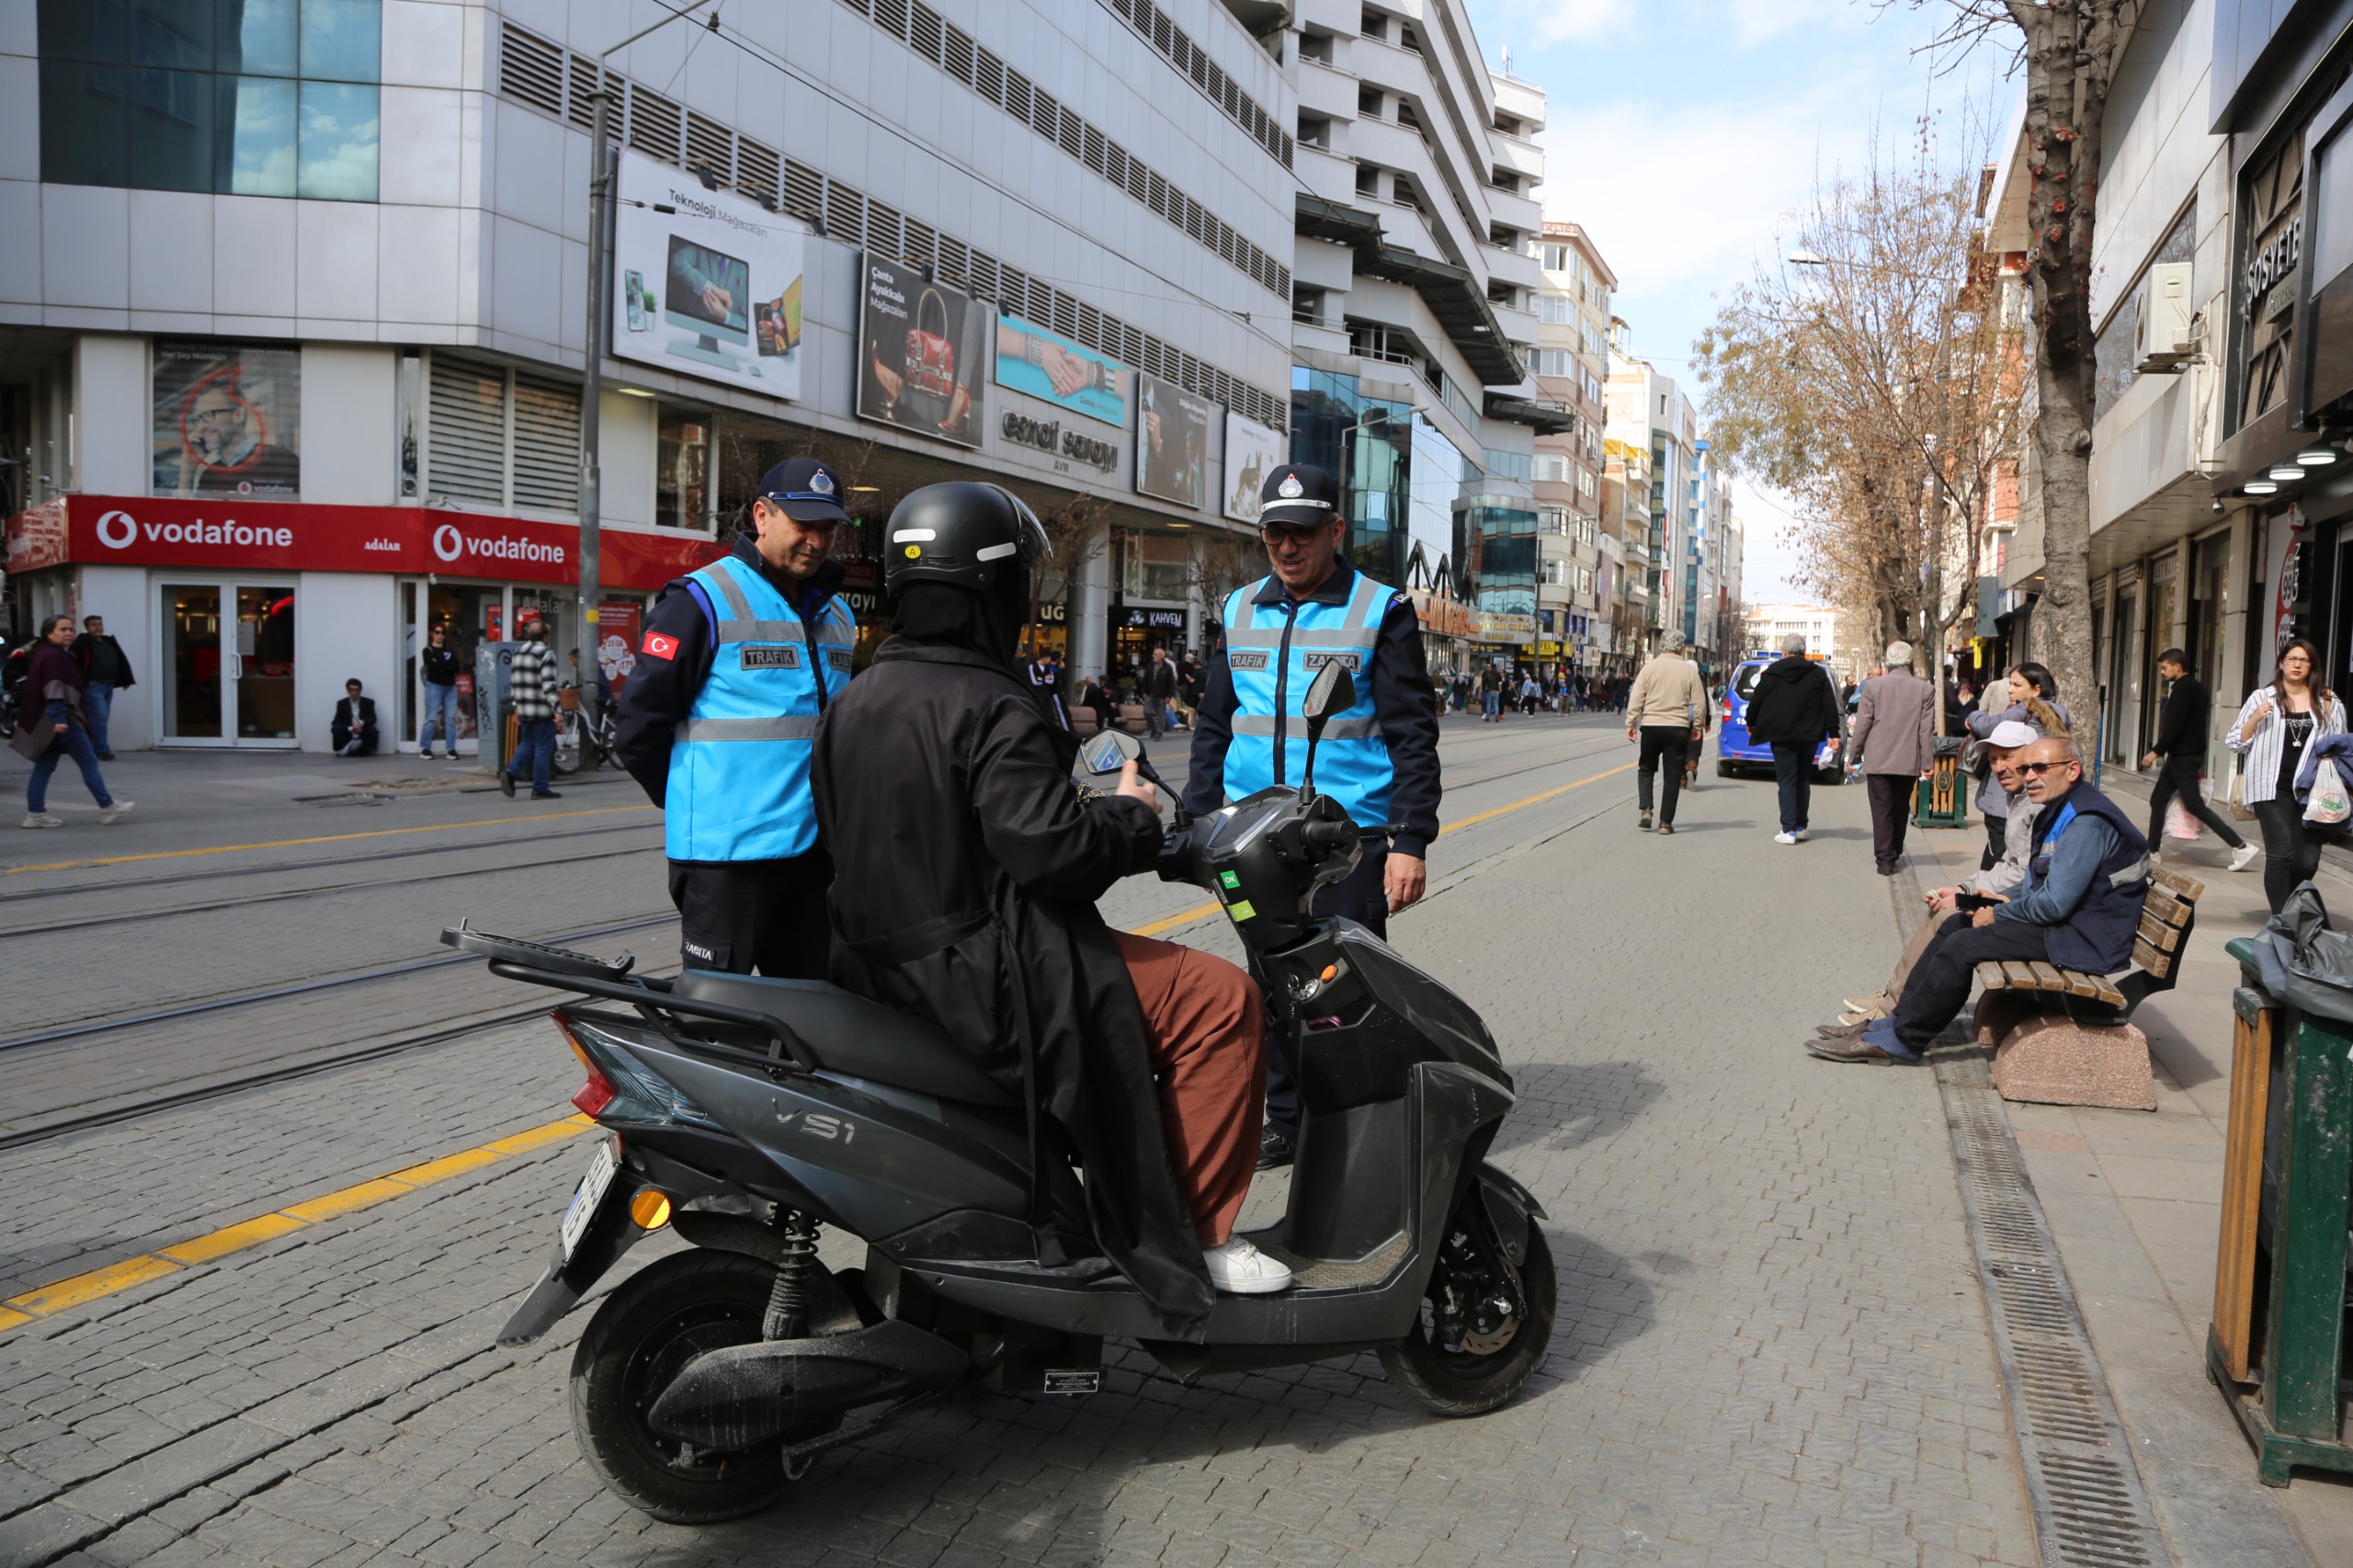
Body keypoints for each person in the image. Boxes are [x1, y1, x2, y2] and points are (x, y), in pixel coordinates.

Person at [812, 482, 1290, 1335]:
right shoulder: (993, 703)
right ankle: (1194, 1238)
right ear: (995, 591)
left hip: (875, 962)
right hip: (986, 972)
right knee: (1222, 1003)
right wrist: (1134, 818)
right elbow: (1053, 855)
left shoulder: (852, 702)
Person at [1185, 462, 1441, 1171]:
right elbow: (1213, 727)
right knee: (1269, 987)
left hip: (1345, 841)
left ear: (1336, 530)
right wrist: (1199, 825)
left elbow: (1412, 735)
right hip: (1251, 843)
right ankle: (1288, 1120)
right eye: (1274, 534)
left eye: (1301, 532)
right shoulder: (1239, 610)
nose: (1287, 547)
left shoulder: (1380, 609)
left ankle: (1361, 1120)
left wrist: (1411, 839)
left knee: (1345, 991)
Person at [615, 458, 858, 978]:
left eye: (827, 528)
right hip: (728, 860)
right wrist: (694, 798)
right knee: (716, 1018)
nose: (816, 540)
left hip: (814, 859)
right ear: (762, 516)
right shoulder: (701, 600)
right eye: (803, 525)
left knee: (808, 1018)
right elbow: (639, 727)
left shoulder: (839, 616)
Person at [1810, 735, 2149, 1064]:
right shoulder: (2060, 808)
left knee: (1964, 946)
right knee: (1958, 920)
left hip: (2084, 940)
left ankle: (1903, 1040)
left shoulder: (2086, 822)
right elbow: (2038, 882)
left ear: (2072, 770)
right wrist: (1983, 900)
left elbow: (2054, 904)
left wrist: (1999, 915)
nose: (2029, 775)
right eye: (2027, 767)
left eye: (2041, 768)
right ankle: (1894, 1021)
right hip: (2068, 926)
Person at [1816, 720, 2041, 1035]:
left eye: (2007, 757)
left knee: (1950, 916)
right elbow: (2009, 864)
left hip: (2025, 909)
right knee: (1939, 907)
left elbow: (2025, 874)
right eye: (1993, 760)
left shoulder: (2040, 803)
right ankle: (1891, 996)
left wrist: (1967, 896)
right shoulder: (2018, 798)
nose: (1999, 767)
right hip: (2017, 898)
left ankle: (1893, 1010)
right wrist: (1964, 887)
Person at [2226, 637, 2347, 913]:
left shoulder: (2328, 701)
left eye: (2304, 660)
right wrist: (2255, 718)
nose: (2297, 665)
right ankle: (2283, 921)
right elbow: (2235, 742)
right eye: (2291, 659)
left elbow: (2340, 746)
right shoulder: (2262, 697)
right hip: (2270, 787)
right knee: (2280, 854)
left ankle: (2291, 909)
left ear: (2312, 666)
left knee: (2307, 861)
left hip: (2313, 791)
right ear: (2281, 663)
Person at [2142, 648, 2259, 873]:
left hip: (2183, 757)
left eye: (2165, 667)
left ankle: (2240, 845)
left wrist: (2154, 752)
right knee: (2158, 800)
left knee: (2194, 805)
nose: (2163, 672)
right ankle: (2152, 850)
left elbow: (2174, 726)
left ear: (2178, 666)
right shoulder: (2199, 689)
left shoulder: (2183, 689)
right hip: (2183, 756)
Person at [14, 616, 132, 828]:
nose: (68, 632)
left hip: (48, 723)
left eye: (71, 629)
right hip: (63, 721)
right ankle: (107, 806)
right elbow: (54, 688)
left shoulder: (46, 653)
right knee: (88, 762)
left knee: (44, 767)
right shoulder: (54, 657)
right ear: (49, 633)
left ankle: (35, 813)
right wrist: (59, 718)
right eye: (63, 629)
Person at [1966, 663, 2071, 870]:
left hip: (2008, 800)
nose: (2010, 689)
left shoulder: (2026, 709)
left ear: (2036, 690)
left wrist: (1973, 716)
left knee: (2000, 857)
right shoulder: (2060, 712)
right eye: (2010, 684)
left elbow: (1985, 726)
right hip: (2034, 797)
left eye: (2017, 684)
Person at [1744, 634, 1843, 844]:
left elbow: (1757, 701)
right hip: (1808, 736)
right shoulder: (1817, 674)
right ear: (1803, 652)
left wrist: (1750, 722)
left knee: (1786, 780)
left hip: (1781, 735)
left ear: (1784, 652)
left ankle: (1788, 830)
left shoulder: (1772, 674)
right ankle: (1800, 826)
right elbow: (1829, 705)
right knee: (1803, 778)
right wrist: (1833, 733)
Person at [1848, 642, 1937, 876]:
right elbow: (1926, 730)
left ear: (1888, 661)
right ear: (1909, 661)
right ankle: (1895, 850)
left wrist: (1854, 755)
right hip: (1908, 760)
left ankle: (1885, 859)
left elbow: (1863, 724)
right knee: (1900, 807)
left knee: (1881, 808)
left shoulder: (1873, 686)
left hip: (1878, 759)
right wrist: (1928, 763)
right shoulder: (1925, 689)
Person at [1623, 631, 1709, 834]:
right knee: (1672, 776)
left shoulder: (1649, 668)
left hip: (1651, 726)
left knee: (1646, 768)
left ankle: (1646, 809)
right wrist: (1697, 726)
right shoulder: (1689, 671)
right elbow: (1700, 702)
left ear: (1662, 645)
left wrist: (1631, 722)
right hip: (1678, 728)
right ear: (1680, 647)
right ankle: (1665, 822)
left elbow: (1636, 697)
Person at [497, 616, 561, 800]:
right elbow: (549, 684)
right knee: (543, 746)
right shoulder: (546, 653)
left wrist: (516, 707)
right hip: (541, 708)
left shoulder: (518, 651)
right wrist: (557, 709)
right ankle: (540, 787)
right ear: (546, 636)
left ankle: (510, 772)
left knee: (527, 742)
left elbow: (515, 682)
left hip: (524, 708)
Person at [68, 614, 134, 759]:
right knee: (100, 718)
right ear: (87, 627)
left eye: (99, 624)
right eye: (94, 625)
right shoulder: (82, 643)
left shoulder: (109, 641)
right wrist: (86, 679)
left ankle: (90, 747)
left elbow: (121, 660)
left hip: (108, 685)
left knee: (100, 718)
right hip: (94, 686)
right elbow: (72, 662)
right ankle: (102, 750)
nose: (98, 627)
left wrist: (125, 679)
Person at [418, 624, 461, 759]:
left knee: (451, 718)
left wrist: (442, 664)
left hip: (450, 687)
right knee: (431, 718)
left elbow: (456, 666)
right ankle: (425, 749)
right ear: (432, 634)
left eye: (442, 632)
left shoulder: (449, 650)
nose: (440, 635)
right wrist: (445, 665)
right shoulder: (428, 650)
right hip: (434, 686)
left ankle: (451, 749)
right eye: (437, 632)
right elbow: (432, 665)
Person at [331, 679, 380, 756]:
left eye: (357, 690)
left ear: (361, 690)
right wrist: (350, 728)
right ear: (348, 691)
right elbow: (336, 722)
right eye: (351, 690)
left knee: (372, 729)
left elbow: (373, 718)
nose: (354, 692)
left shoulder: (369, 702)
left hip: (363, 730)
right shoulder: (341, 704)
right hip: (349, 731)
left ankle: (364, 750)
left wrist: (361, 723)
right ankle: (347, 748)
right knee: (336, 728)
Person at [1143, 645, 1177, 740]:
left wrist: (1169, 696)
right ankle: (1154, 728)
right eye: (1153, 654)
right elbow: (1145, 679)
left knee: (1161, 714)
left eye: (1155, 654)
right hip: (1150, 694)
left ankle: (1159, 733)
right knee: (1147, 712)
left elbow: (1171, 683)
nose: (1153, 656)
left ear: (1161, 656)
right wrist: (1144, 691)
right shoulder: (1150, 665)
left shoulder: (1167, 667)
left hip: (1162, 695)